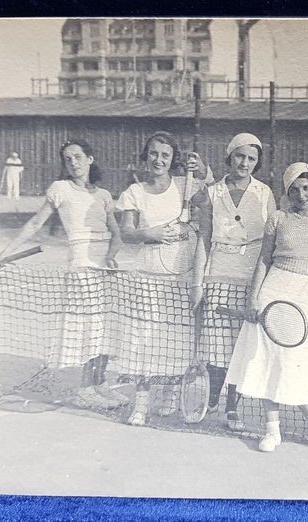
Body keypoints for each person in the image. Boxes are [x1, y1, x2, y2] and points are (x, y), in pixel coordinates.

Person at [224, 162, 308, 453]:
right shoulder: (277, 218)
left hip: (304, 294)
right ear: (287, 193)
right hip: (272, 288)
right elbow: (264, 260)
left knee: (296, 361)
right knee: (266, 359)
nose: (301, 195)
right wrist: (251, 300)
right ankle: (272, 431)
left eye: (307, 188)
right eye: (295, 190)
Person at [0, 139, 125, 410]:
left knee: (105, 329)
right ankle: (85, 389)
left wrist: (110, 257)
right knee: (89, 329)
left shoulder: (105, 195)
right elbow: (35, 224)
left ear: (90, 159)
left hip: (105, 271)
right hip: (80, 268)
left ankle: (100, 384)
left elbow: (117, 234)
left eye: (78, 157)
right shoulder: (60, 189)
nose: (73, 163)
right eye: (67, 159)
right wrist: (3, 254)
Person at [116, 131, 212, 426]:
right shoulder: (134, 192)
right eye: (154, 154)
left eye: (166, 155)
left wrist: (202, 168)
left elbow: (209, 191)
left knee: (173, 338)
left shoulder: (185, 185)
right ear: (146, 157)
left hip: (178, 275)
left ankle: (170, 396)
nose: (159, 160)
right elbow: (127, 234)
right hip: (145, 275)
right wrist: (152, 233)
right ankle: (141, 404)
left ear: (173, 160)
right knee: (142, 339)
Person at [190, 133, 276, 431]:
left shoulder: (264, 193)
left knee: (242, 346)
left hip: (251, 279)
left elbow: (271, 242)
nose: (245, 163)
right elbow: (203, 239)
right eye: (240, 156)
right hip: (218, 276)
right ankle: (214, 396)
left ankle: (232, 408)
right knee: (216, 346)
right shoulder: (211, 193)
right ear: (230, 157)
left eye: (252, 159)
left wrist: (265, 285)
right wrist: (197, 284)